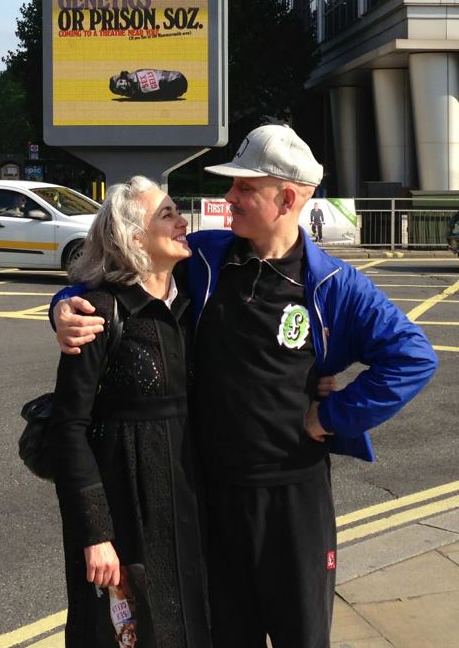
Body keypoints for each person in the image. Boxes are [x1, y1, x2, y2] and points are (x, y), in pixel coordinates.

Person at [52, 124, 437, 648]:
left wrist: (332, 416)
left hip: (292, 500)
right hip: (211, 499)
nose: (227, 198)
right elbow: (122, 269)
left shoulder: (334, 286)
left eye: (242, 188)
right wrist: (64, 308)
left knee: (301, 636)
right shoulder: (207, 258)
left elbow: (413, 357)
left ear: (284, 198)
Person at [48, 176, 211, 648]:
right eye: (168, 214)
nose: (184, 222)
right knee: (124, 635)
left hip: (191, 506)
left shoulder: (192, 304)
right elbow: (68, 428)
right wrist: (94, 533)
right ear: (133, 237)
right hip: (126, 511)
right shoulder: (98, 311)